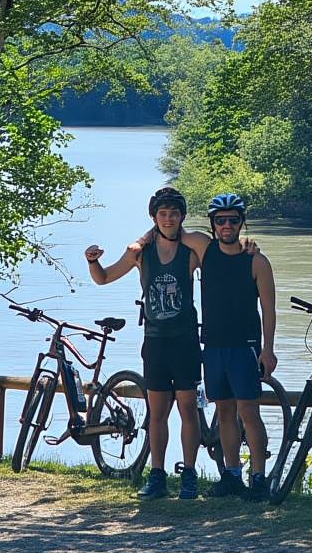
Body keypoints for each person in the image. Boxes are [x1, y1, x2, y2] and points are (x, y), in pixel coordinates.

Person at [84, 186, 203, 501]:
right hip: (155, 341)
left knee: (189, 408)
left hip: (186, 340)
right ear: (154, 217)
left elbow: (222, 260)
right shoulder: (140, 253)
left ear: (182, 217)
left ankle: (189, 476)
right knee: (157, 412)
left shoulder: (191, 252)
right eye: (162, 214)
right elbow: (105, 277)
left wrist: (245, 246)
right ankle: (158, 475)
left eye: (174, 214)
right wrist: (92, 261)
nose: (168, 219)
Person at [193, 192, 278, 501]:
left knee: (249, 413)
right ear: (212, 224)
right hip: (213, 345)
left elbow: (269, 309)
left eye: (233, 220)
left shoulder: (256, 260)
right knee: (224, 412)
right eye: (220, 220)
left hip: (245, 347)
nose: (227, 225)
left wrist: (268, 350)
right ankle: (232, 475)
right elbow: (165, 231)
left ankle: (259, 478)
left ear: (242, 222)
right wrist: (137, 246)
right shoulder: (204, 250)